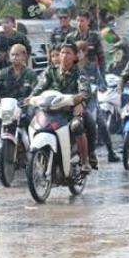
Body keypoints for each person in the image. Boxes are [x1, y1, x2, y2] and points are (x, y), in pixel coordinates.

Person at [31, 43, 92, 172]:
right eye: (62, 53)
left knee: (77, 126)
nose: (64, 56)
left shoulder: (79, 73)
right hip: (50, 110)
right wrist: (31, 98)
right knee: (32, 121)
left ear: (75, 57)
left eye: (68, 53)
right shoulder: (50, 71)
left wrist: (80, 102)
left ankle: (85, 161)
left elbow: (85, 91)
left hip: (69, 112)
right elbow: (39, 87)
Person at [76, 41, 119, 164]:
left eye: (79, 51)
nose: (77, 54)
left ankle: (110, 152)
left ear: (85, 52)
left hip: (92, 102)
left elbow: (102, 83)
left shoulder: (93, 67)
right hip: (76, 101)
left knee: (102, 124)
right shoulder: (73, 68)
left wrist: (100, 87)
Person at [0, 44, 37, 140]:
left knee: (32, 114)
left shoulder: (30, 74)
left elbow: (36, 90)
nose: (14, 57)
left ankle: (29, 142)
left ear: (24, 56)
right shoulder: (3, 73)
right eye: (12, 55)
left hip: (22, 106)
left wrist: (31, 98)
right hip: (6, 106)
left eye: (17, 55)